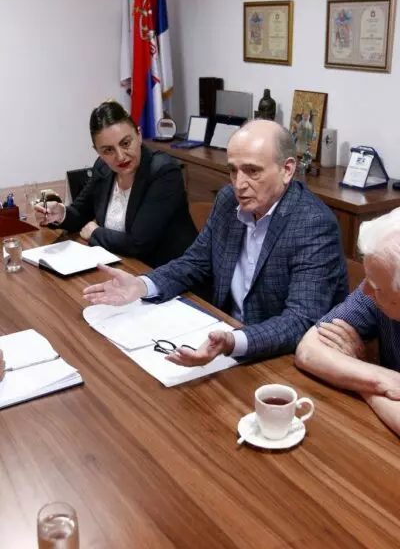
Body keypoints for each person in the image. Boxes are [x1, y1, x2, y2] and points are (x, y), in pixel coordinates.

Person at [83, 119, 348, 366]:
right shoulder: (228, 200)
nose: (239, 184)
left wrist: (233, 341)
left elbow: (300, 321)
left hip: (276, 359)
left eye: (252, 171)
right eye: (233, 171)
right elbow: (195, 262)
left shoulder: (312, 223)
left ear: (287, 170)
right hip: (223, 339)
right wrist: (142, 285)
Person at [35, 101, 197, 267]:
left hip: (169, 272)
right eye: (108, 150)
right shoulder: (103, 167)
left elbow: (139, 243)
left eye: (125, 143)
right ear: (98, 151)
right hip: (121, 266)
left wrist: (95, 232)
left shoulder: (163, 171)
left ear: (139, 135)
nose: (120, 156)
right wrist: (60, 213)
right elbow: (79, 212)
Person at [295, 209, 400, 436]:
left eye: (377, 287)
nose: (365, 290)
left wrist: (356, 375)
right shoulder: (376, 290)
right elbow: (308, 349)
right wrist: (377, 379)